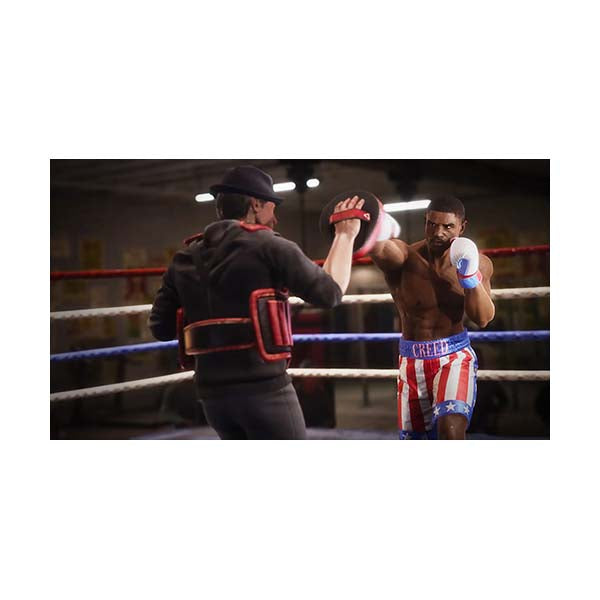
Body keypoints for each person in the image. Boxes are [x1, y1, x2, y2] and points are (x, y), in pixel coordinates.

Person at [148, 165, 363, 439]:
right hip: (265, 392)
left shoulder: (184, 258)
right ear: (256, 204)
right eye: (272, 208)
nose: (275, 219)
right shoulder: (271, 246)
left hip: (213, 399)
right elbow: (329, 294)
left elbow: (161, 328)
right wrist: (345, 235)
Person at [369, 195, 495, 439]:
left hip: (454, 358)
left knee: (450, 431)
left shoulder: (480, 263)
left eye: (448, 226)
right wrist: (364, 227)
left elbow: (483, 318)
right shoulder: (405, 257)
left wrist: (469, 277)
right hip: (411, 361)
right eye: (432, 224)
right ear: (425, 222)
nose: (438, 233)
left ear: (462, 227)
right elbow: (382, 249)